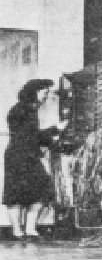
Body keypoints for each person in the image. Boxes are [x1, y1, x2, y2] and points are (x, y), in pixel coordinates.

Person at [3, 78, 68, 240]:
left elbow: (32, 137)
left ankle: (28, 230)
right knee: (17, 194)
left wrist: (52, 140)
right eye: (44, 93)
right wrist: (55, 129)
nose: (46, 97)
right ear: (34, 92)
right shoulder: (21, 110)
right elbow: (29, 136)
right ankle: (20, 231)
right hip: (20, 156)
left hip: (25, 155)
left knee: (39, 191)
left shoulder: (27, 110)